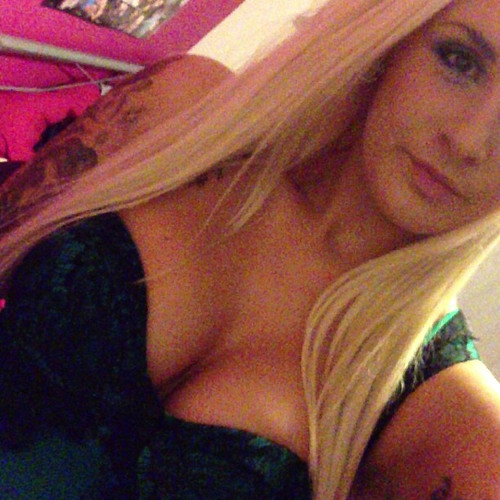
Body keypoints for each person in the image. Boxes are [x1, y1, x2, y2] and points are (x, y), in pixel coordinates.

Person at [0, 0, 499, 497]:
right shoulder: (182, 112)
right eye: (460, 61)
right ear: (395, 38)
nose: (469, 142)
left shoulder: (448, 418)